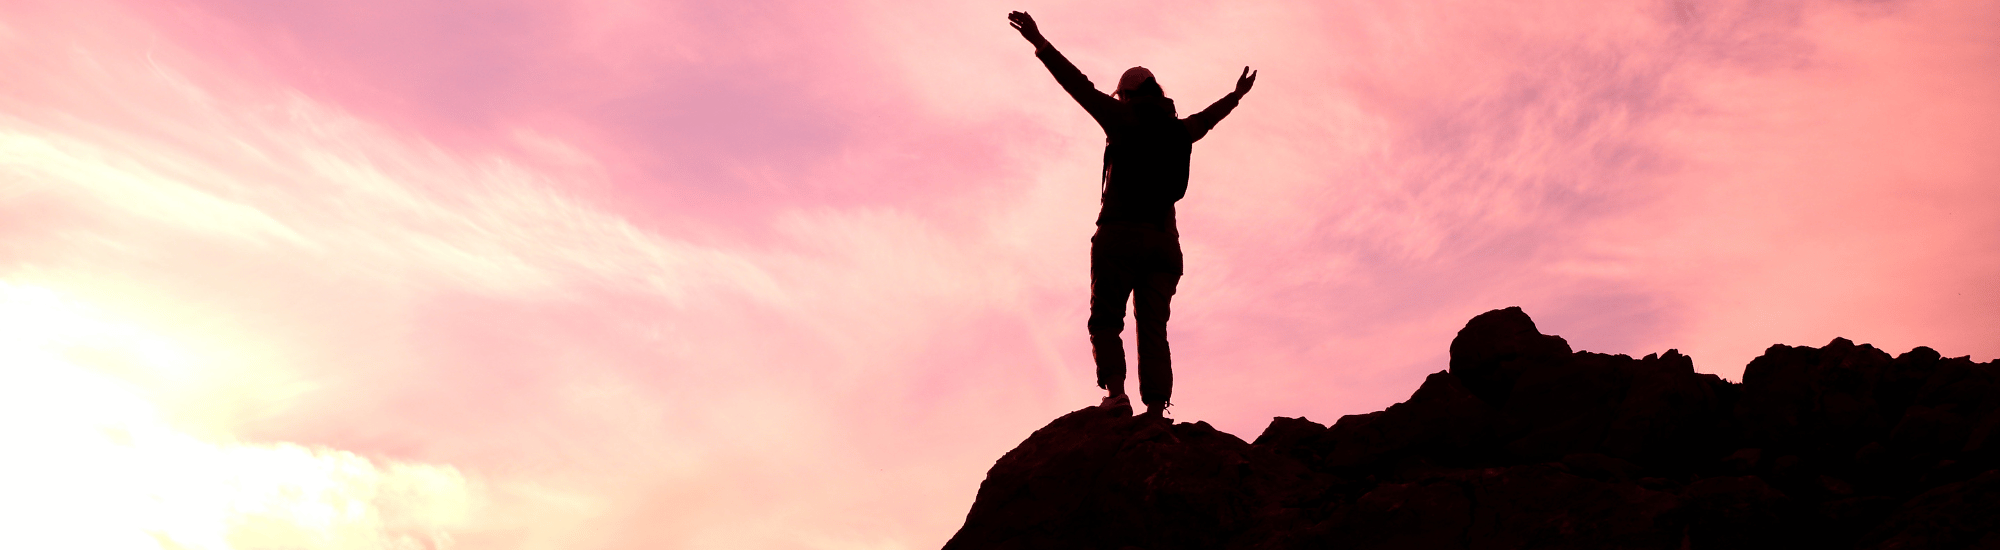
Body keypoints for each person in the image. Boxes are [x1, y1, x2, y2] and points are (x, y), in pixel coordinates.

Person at [1008, 11, 1255, 417]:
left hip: (1120, 236)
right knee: (1153, 328)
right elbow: (1207, 120)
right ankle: (1156, 411)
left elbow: (1077, 85)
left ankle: (1117, 395)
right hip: (1163, 242)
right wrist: (1236, 95)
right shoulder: (1179, 129)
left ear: (1125, 95)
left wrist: (1040, 42)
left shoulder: (1119, 117)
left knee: (1106, 318)